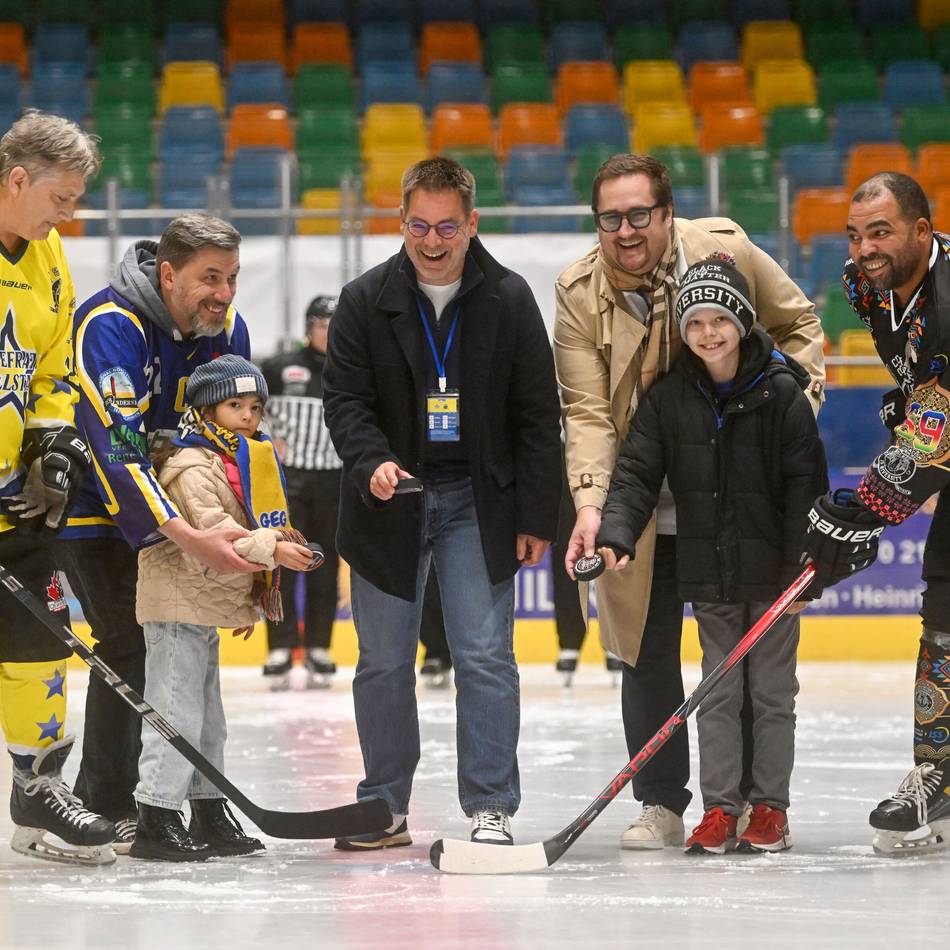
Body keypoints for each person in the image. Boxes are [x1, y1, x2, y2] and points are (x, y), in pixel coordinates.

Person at [555, 153, 826, 851]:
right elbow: (586, 411)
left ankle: (747, 803)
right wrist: (593, 506)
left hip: (734, 505)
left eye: (639, 214)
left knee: (738, 659)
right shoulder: (578, 290)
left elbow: (801, 330)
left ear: (668, 213)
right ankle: (662, 803)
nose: (625, 230)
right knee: (645, 656)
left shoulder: (727, 252)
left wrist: (781, 416)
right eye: (610, 218)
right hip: (638, 498)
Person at [323, 157, 561, 849]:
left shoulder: (509, 299)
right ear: (401, 222)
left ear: (472, 223)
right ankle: (383, 805)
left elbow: (536, 414)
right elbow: (345, 402)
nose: (432, 241)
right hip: (385, 502)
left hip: (476, 504)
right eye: (419, 226)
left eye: (447, 227)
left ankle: (491, 804)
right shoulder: (364, 300)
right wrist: (372, 463)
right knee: (384, 661)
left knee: (485, 656)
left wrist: (534, 516)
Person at [56, 213, 257, 852]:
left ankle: (202, 805)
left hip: (184, 513)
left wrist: (250, 554)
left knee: (193, 655)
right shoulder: (109, 324)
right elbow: (119, 449)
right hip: (98, 512)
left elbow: (236, 445)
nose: (223, 294)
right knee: (130, 646)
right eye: (209, 278)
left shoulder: (228, 329)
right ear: (168, 274)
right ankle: (108, 801)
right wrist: (187, 536)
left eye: (230, 278)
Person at [801, 172, 950, 855]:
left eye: (882, 232)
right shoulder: (872, 284)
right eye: (856, 234)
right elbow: (926, 399)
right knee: (945, 608)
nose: (865, 249)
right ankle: (939, 775)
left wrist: (861, 509)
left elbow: (932, 436)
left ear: (923, 231)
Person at [130, 355, 320, 860]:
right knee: (176, 715)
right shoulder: (190, 466)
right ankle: (156, 814)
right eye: (234, 405)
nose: (248, 416)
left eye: (255, 406)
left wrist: (245, 595)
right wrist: (273, 552)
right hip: (176, 610)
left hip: (201, 605)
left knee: (209, 721)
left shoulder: (240, 462)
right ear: (203, 411)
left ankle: (208, 809)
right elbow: (218, 536)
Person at [0, 111, 117, 865]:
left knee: (42, 634)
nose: (68, 216)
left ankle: (37, 790)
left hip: (13, 498)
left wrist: (47, 443)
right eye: (62, 199)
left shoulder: (49, 260)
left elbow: (53, 368)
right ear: (16, 181)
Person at [261, 294, 343, 689]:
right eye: (322, 325)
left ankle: (318, 647)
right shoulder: (279, 368)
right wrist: (266, 444)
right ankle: (279, 647)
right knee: (280, 564)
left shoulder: (353, 368)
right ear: (308, 327)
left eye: (334, 325)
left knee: (324, 566)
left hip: (334, 481)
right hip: (288, 482)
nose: (328, 333)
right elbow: (250, 413)